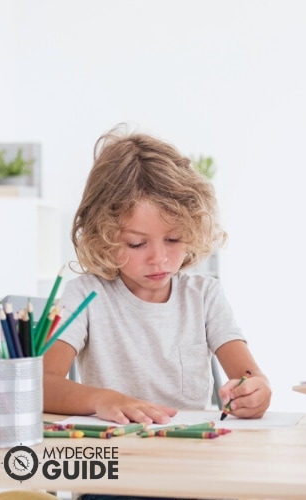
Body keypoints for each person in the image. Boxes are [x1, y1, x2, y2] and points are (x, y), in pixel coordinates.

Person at [43, 126, 272, 427]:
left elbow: (250, 378)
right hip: (119, 450)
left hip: (188, 448)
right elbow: (41, 384)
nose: (159, 259)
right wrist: (102, 399)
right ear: (104, 237)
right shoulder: (85, 295)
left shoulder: (204, 295)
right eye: (137, 244)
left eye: (174, 239)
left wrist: (256, 392)